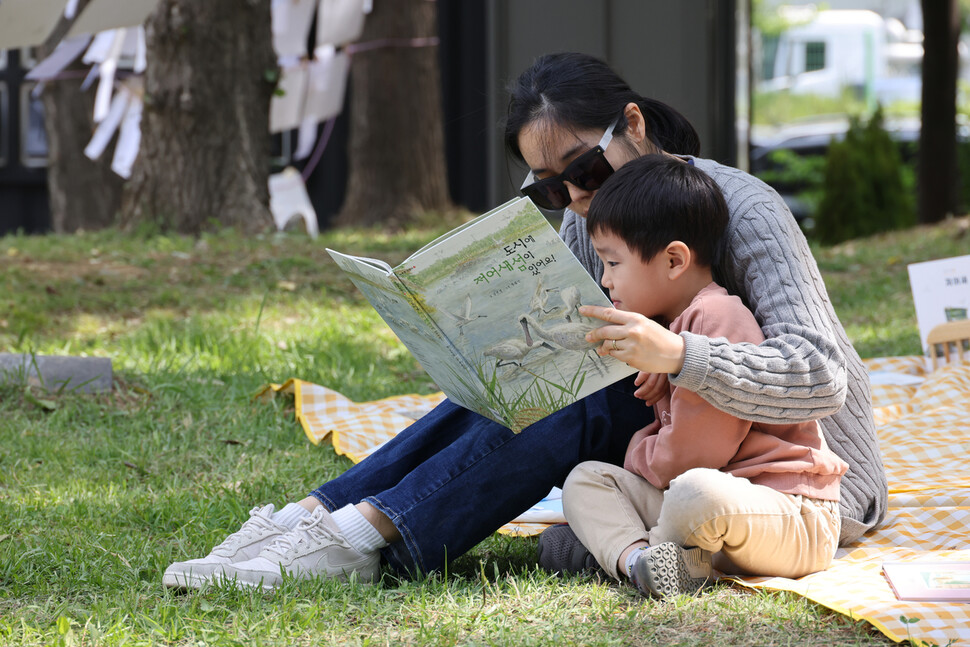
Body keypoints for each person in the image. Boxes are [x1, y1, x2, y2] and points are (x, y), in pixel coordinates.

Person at [162, 52, 886, 591]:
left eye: (585, 170)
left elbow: (821, 377)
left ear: (632, 125)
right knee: (531, 377)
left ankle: (363, 535)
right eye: (547, 187)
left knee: (573, 394)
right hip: (665, 440)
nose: (572, 199)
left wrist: (677, 355)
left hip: (792, 478)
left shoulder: (745, 208)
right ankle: (320, 516)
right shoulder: (586, 218)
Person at [554, 153, 848, 599]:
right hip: (715, 514)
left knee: (694, 491)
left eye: (613, 263)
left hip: (789, 511)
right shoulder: (665, 332)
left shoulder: (715, 316)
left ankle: (622, 553)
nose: (605, 280)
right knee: (588, 479)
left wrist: (637, 449)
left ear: (674, 261)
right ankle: (641, 562)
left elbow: (695, 455)